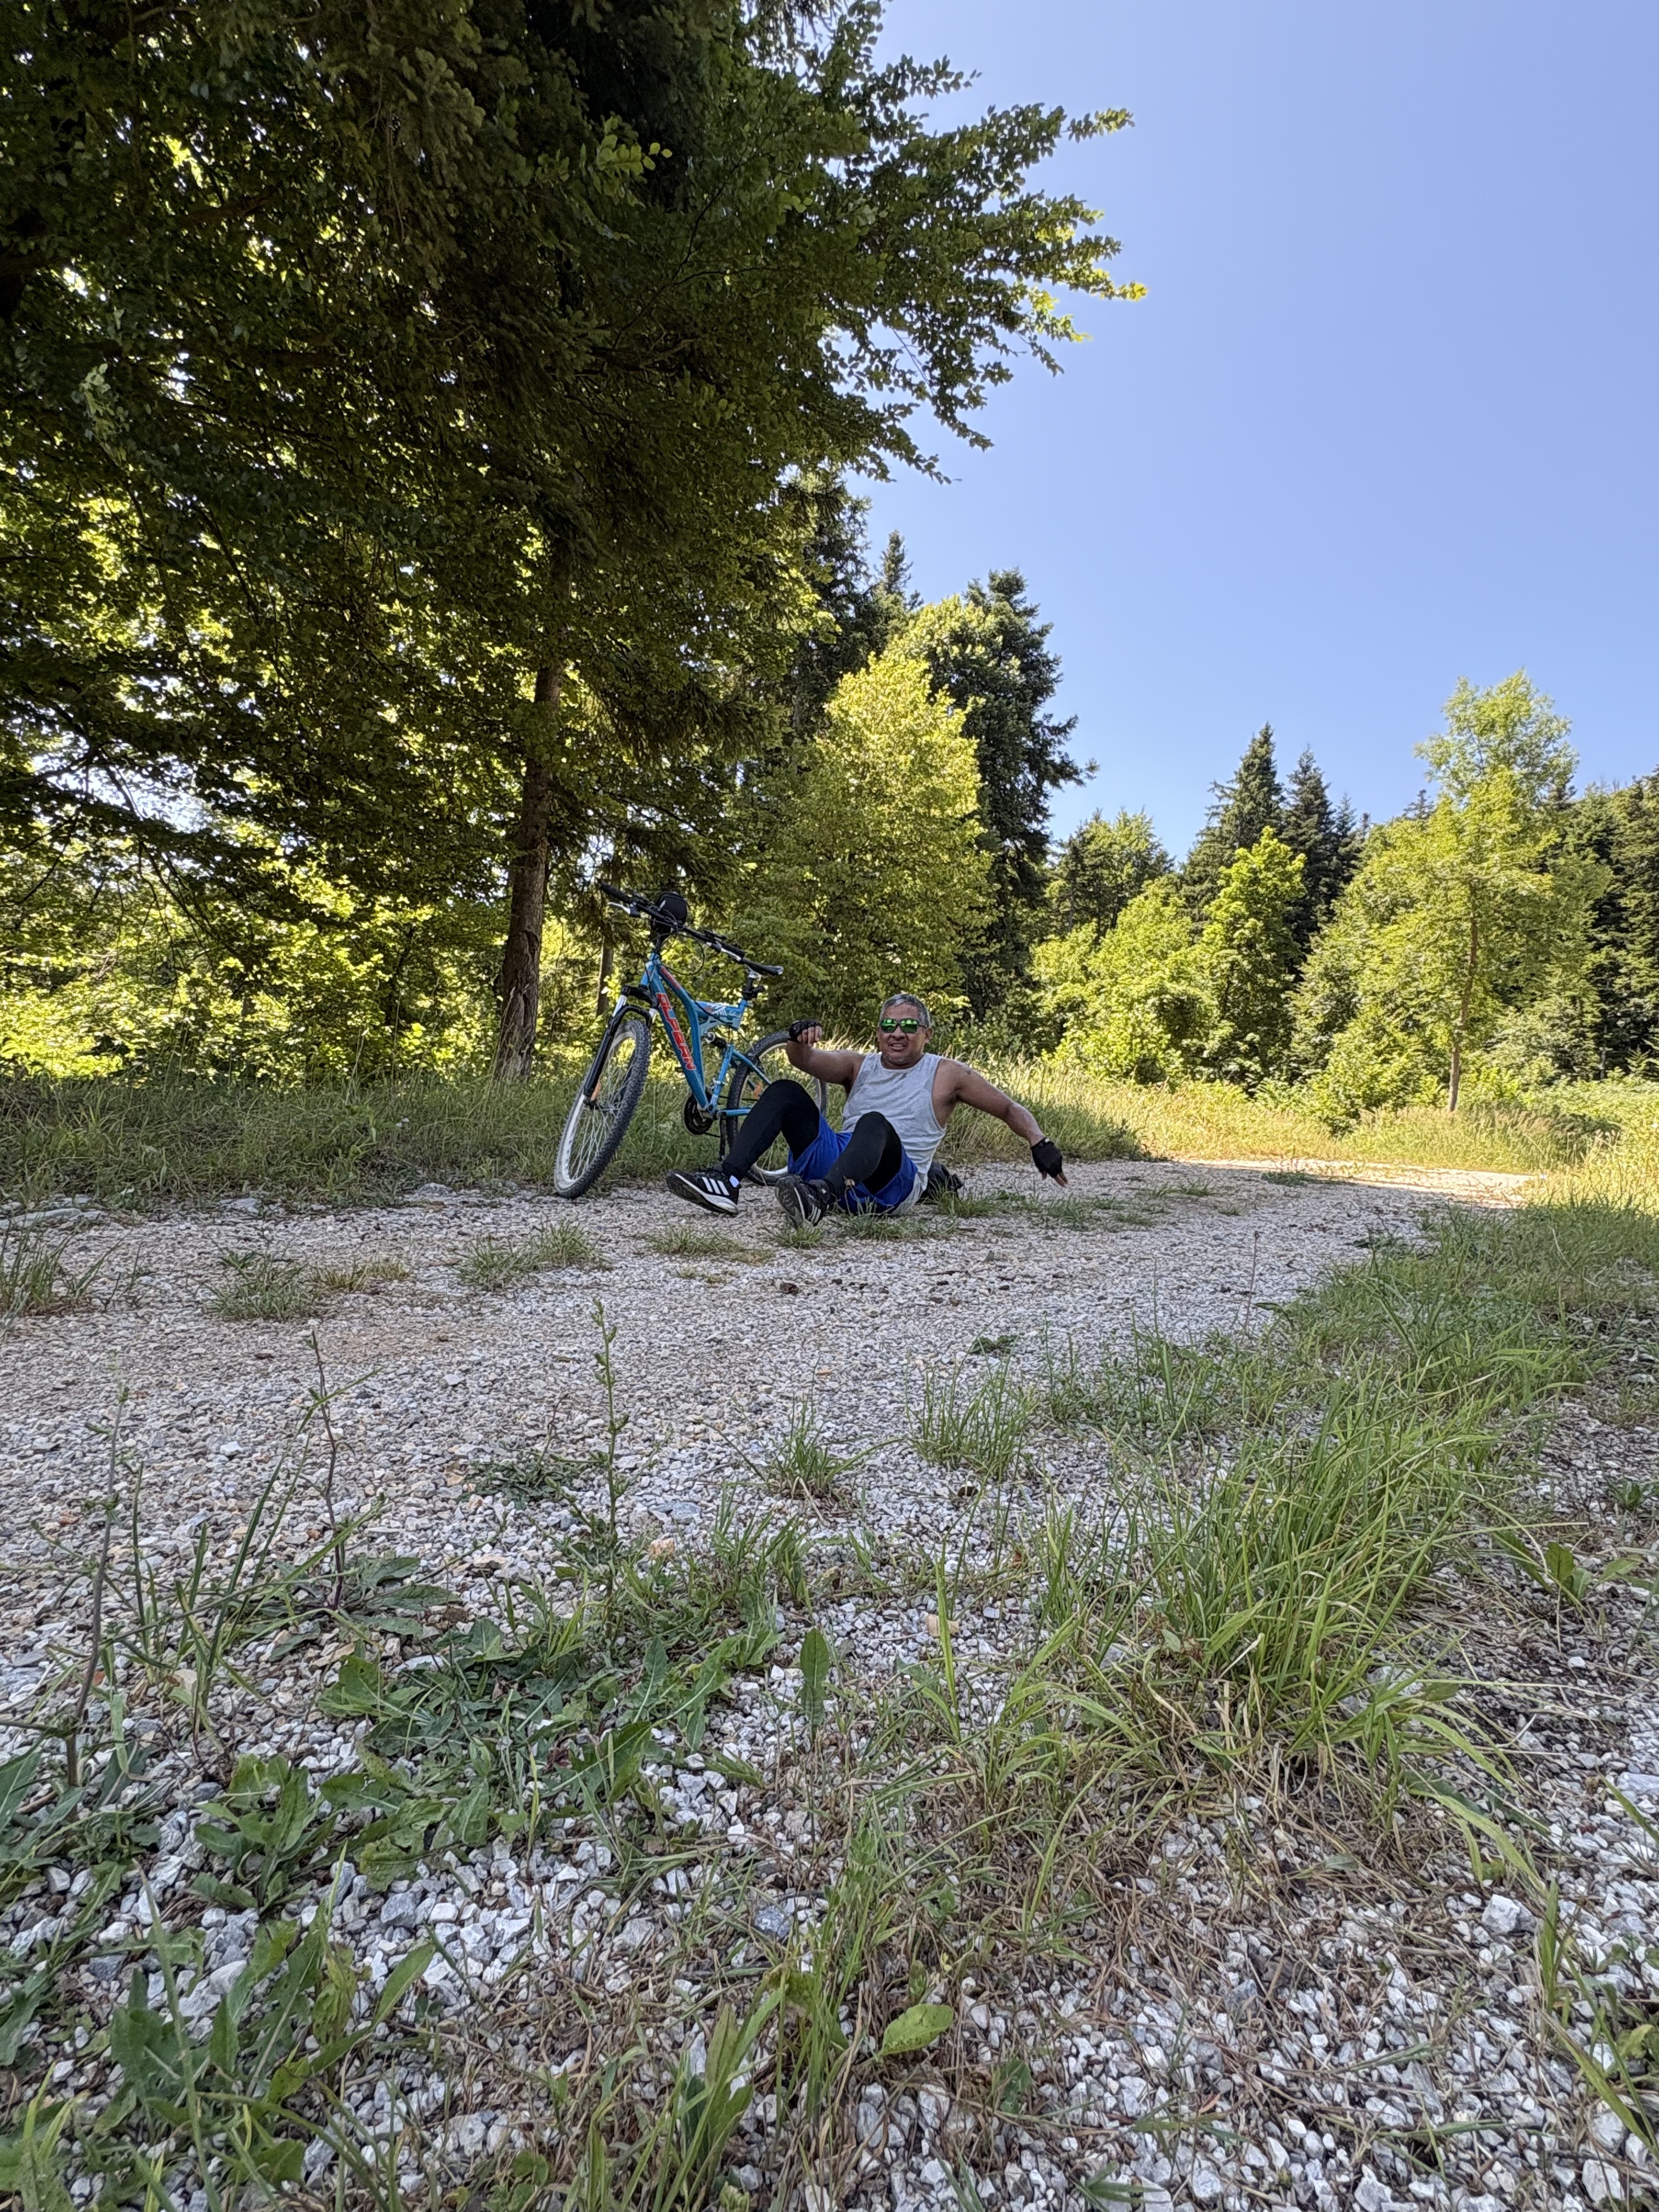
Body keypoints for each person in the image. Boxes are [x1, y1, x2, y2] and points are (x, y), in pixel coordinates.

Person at [664, 991, 1069, 1226]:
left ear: (926, 1034)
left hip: (891, 1184)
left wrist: (1039, 1141)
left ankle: (817, 1200)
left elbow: (1007, 1108)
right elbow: (803, 1061)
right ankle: (726, 1182)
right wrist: (797, 1036)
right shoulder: (859, 1065)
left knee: (876, 1122)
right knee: (787, 1092)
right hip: (838, 1165)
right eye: (889, 1026)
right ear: (877, 1032)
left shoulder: (948, 1075)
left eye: (909, 1027)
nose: (897, 1034)